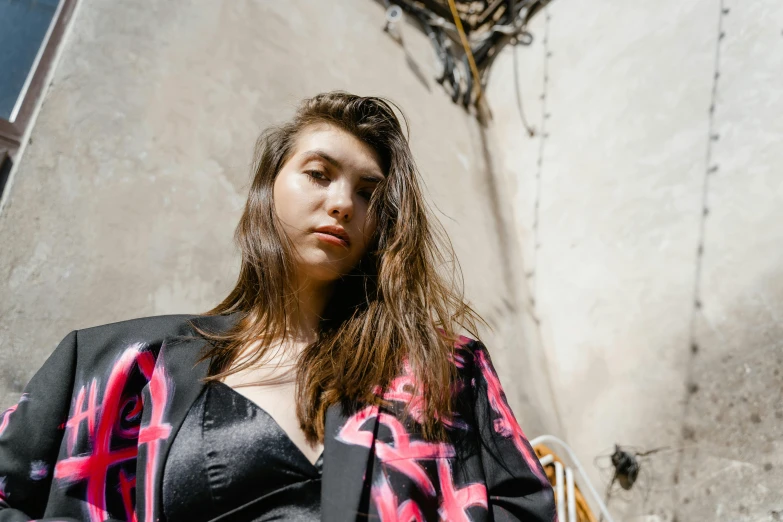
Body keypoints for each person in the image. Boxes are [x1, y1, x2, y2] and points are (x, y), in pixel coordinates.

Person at [0, 92, 556, 522]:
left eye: (368, 193)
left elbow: (525, 507)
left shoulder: (444, 370)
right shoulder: (112, 370)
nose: (343, 203)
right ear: (268, 188)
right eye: (319, 174)